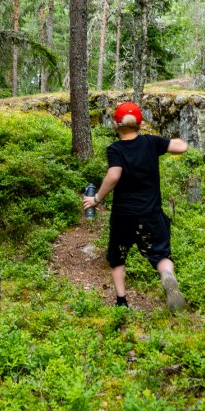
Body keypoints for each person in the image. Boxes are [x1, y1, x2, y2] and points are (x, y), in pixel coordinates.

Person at [82, 102, 189, 310]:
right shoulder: (152, 142)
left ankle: (121, 302)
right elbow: (182, 146)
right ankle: (167, 275)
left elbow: (114, 175)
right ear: (140, 124)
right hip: (150, 215)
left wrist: (96, 199)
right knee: (161, 256)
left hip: (123, 216)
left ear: (115, 124)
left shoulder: (115, 148)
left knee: (118, 257)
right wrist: (169, 140)